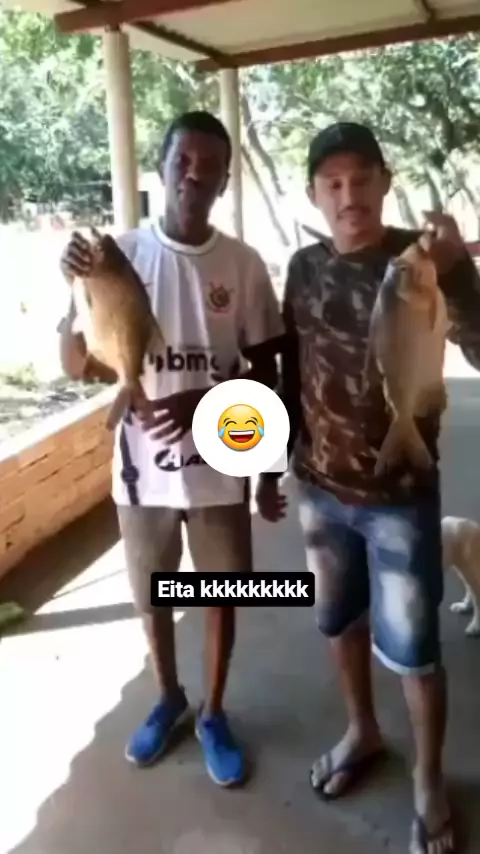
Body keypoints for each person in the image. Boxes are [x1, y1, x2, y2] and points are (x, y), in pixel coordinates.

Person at [256, 121, 480, 854]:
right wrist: (271, 462)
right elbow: (289, 372)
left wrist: (459, 275)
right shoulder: (303, 267)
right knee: (339, 624)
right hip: (320, 490)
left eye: (361, 179)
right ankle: (362, 731)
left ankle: (428, 778)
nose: (348, 195)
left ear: (385, 181)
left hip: (399, 495)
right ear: (315, 193)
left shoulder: (422, 261)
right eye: (333, 183)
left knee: (415, 649)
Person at [58, 111, 284, 788]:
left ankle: (213, 711)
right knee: (153, 596)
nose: (194, 173)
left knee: (221, 595)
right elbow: (75, 363)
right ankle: (168, 697)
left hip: (218, 468)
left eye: (209, 164)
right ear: (161, 167)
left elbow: (267, 374)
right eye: (182, 159)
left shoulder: (243, 265)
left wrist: (208, 411)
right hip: (141, 476)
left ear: (224, 178)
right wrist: (69, 288)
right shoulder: (117, 255)